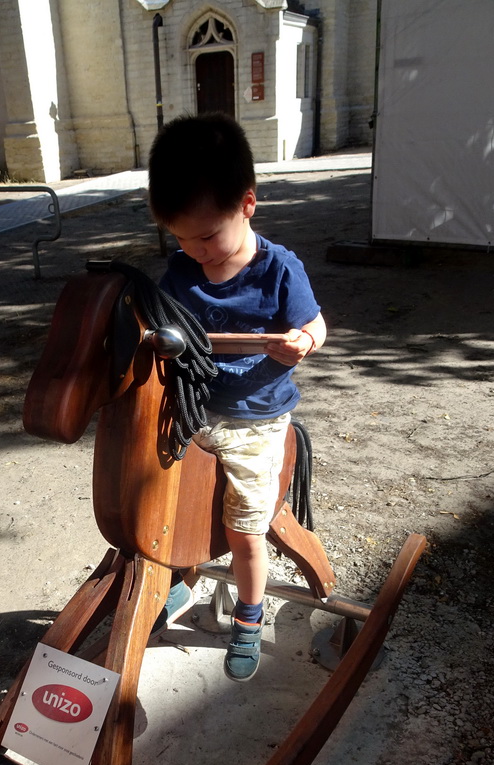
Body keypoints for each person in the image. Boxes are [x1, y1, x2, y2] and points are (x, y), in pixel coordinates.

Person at [148, 112, 326, 681]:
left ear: (247, 204)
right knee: (176, 508)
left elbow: (317, 326)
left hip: (255, 419)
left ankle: (249, 615)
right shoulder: (180, 272)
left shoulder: (279, 270)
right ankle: (182, 583)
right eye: (180, 238)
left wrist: (302, 341)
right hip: (195, 410)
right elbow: (151, 325)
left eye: (206, 237)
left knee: (246, 529)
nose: (195, 251)